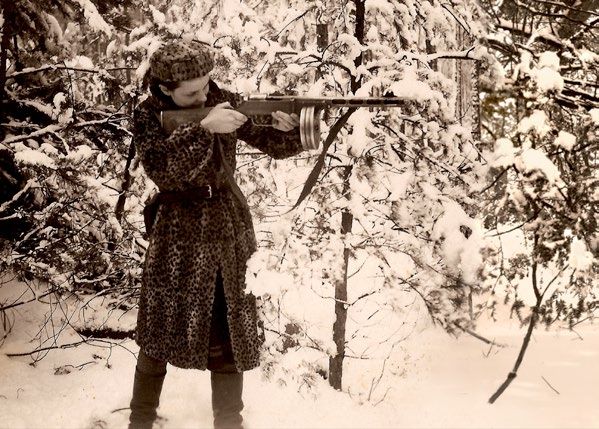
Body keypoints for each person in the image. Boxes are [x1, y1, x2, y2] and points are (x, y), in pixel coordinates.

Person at [128, 39, 306, 429]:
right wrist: (203, 129)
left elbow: (273, 144)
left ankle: (229, 423)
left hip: (227, 229)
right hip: (176, 234)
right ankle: (139, 421)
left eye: (207, 86)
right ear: (165, 89)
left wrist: (291, 130)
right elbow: (164, 171)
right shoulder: (148, 115)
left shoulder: (223, 100)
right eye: (192, 93)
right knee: (157, 335)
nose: (205, 96)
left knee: (229, 338)